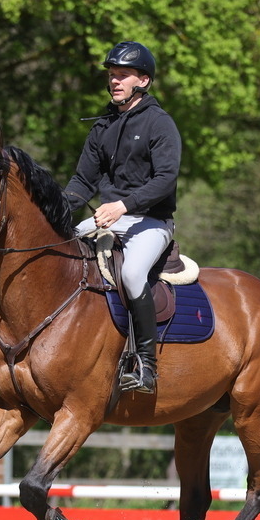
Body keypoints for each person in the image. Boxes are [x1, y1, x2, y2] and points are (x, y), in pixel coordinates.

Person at [64, 41, 182, 394]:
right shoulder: (102, 126)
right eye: (112, 75)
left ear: (143, 81)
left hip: (151, 222)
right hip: (109, 220)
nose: (114, 81)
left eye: (122, 75)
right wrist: (55, 210)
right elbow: (83, 181)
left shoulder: (160, 123)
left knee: (131, 272)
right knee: (61, 252)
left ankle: (146, 365)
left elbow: (166, 179)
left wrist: (123, 205)